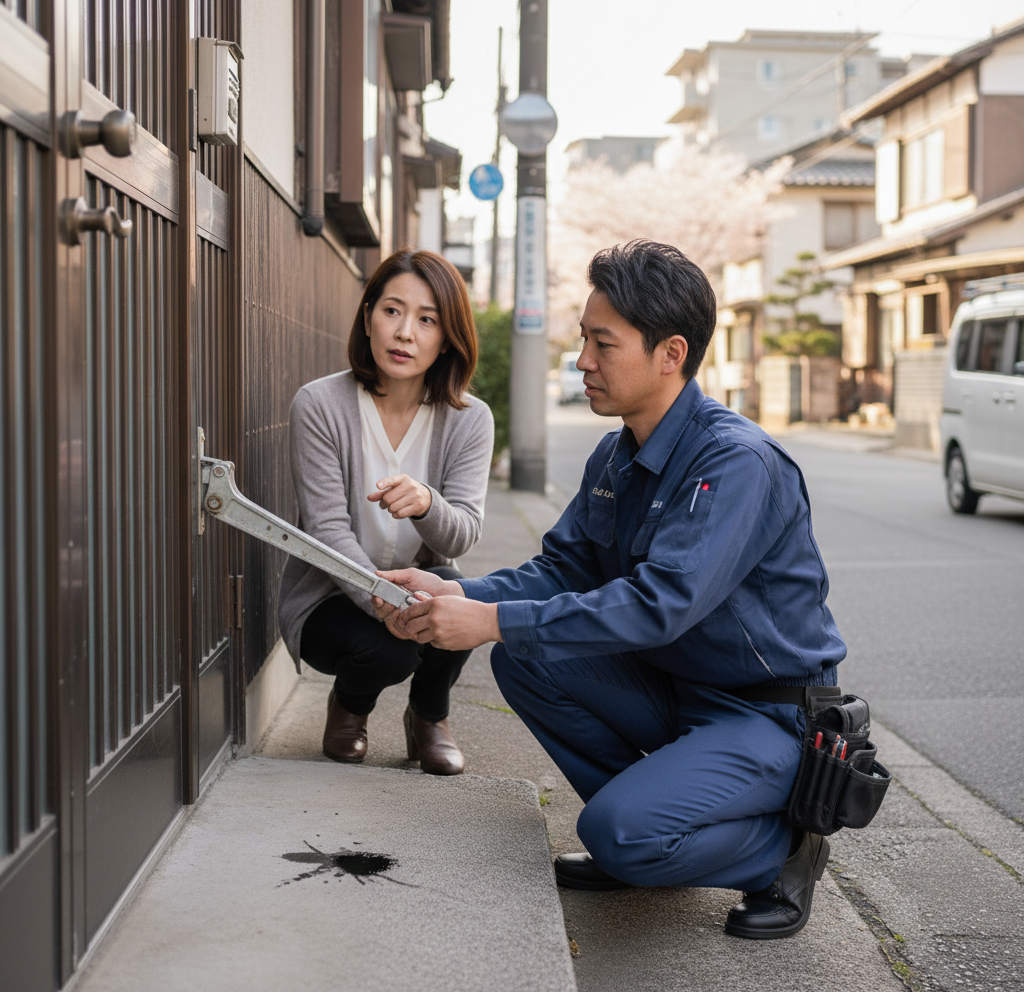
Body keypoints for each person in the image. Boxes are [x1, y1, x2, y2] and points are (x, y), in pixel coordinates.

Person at [374, 240, 847, 939]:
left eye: (603, 344)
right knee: (527, 655)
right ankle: (653, 836)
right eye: (584, 340)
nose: (582, 361)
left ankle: (780, 849)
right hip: (678, 689)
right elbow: (561, 570)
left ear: (671, 354)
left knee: (615, 830)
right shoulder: (617, 452)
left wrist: (491, 619)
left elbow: (660, 604)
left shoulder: (737, 463)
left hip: (766, 714)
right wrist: (455, 592)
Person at [278, 249, 494, 776]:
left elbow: (463, 532)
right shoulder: (320, 404)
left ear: (447, 338)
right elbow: (326, 530)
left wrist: (426, 502)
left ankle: (429, 717)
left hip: (415, 586)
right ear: (368, 314)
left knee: (460, 593)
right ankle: (350, 708)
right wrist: (383, 598)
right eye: (392, 311)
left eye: (427, 320)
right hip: (330, 598)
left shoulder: (470, 419)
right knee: (389, 650)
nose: (405, 333)